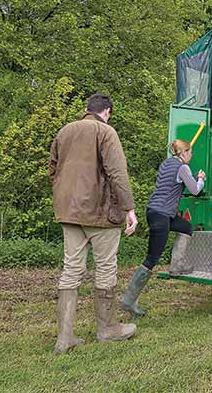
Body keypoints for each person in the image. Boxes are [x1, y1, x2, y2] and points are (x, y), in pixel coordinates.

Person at [49, 93, 138, 354]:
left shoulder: (65, 131)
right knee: (106, 268)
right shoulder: (105, 131)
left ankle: (64, 338)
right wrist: (129, 208)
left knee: (71, 270)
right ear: (107, 111)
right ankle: (107, 329)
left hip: (69, 212)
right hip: (100, 213)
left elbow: (52, 170)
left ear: (87, 109)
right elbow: (117, 173)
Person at [119, 139, 205, 317]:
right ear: (183, 153)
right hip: (161, 215)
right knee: (152, 258)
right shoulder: (183, 168)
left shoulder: (167, 163)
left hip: (157, 212)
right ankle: (128, 300)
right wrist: (201, 179)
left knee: (186, 227)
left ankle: (177, 265)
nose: (192, 155)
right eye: (190, 152)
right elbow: (195, 190)